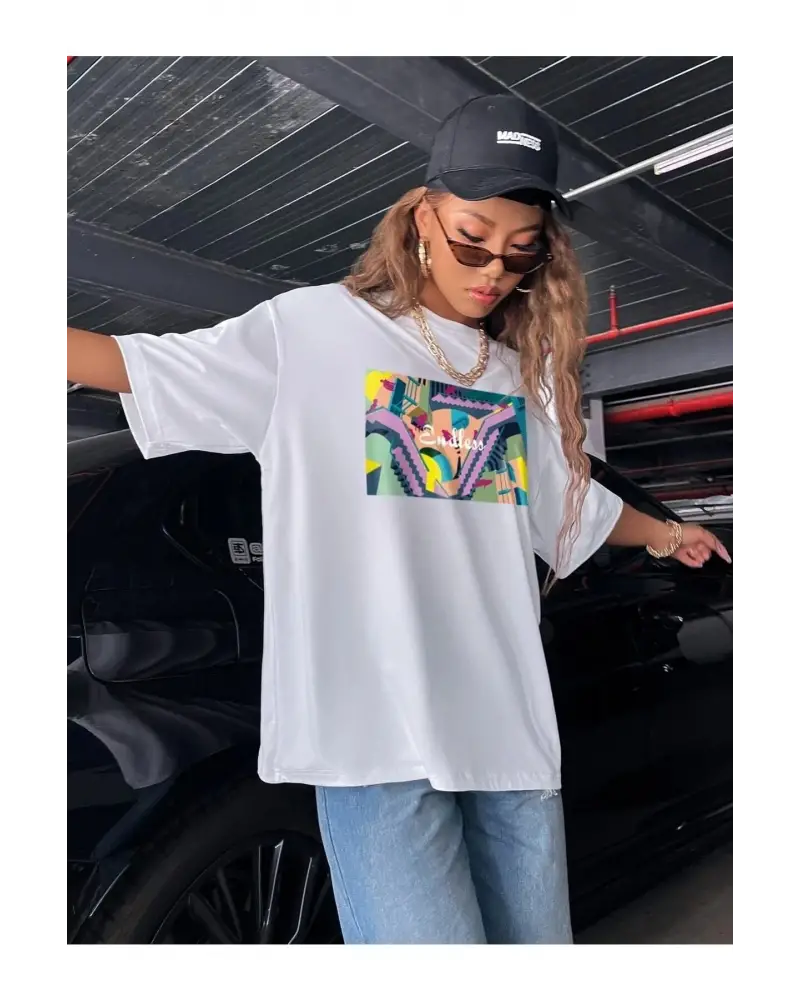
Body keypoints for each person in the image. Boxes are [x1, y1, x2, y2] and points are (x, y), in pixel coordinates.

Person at [65, 94, 730, 945]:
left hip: (505, 735)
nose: (493, 272)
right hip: (374, 739)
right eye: (472, 241)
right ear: (422, 218)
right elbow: (130, 364)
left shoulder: (507, 376)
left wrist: (670, 533)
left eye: (521, 253)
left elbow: (571, 505)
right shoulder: (310, 332)